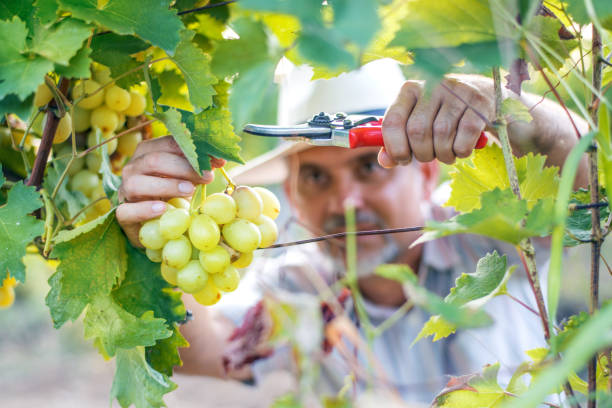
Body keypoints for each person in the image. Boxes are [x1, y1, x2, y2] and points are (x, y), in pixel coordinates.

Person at [116, 59, 588, 404]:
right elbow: (200, 350)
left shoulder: (489, 234)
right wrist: (150, 243)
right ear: (292, 197)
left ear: (426, 176)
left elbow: (593, 186)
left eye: (370, 166)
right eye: (317, 177)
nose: (345, 203)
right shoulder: (300, 290)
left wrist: (520, 115)